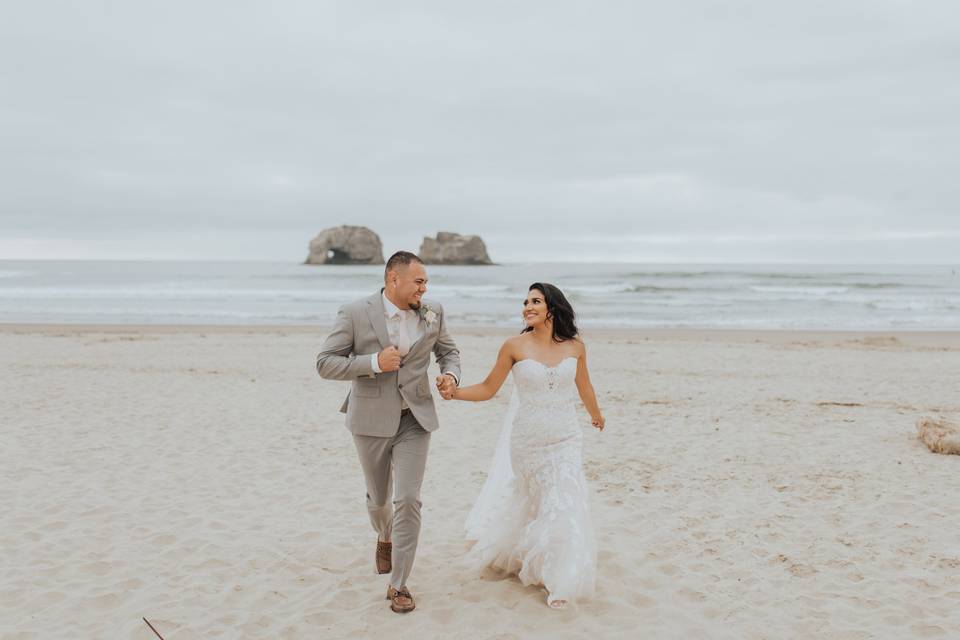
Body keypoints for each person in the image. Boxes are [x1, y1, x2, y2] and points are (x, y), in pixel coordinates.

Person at [316, 251, 461, 614]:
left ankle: (398, 585)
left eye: (426, 281)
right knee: (380, 500)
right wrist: (372, 363)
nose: (425, 288)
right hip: (370, 421)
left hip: (416, 417)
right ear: (393, 279)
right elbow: (325, 363)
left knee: (408, 499)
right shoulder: (354, 313)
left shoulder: (433, 312)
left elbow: (449, 352)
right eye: (419, 281)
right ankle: (384, 535)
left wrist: (450, 375)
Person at [449, 282, 604, 609]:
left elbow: (584, 386)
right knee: (535, 502)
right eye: (525, 301)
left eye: (535, 300)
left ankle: (559, 578)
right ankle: (528, 554)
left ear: (553, 307)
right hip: (528, 440)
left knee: (565, 500)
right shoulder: (513, 346)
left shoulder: (575, 347)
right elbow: (489, 388)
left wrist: (596, 414)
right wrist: (456, 393)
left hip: (566, 437)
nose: (527, 306)